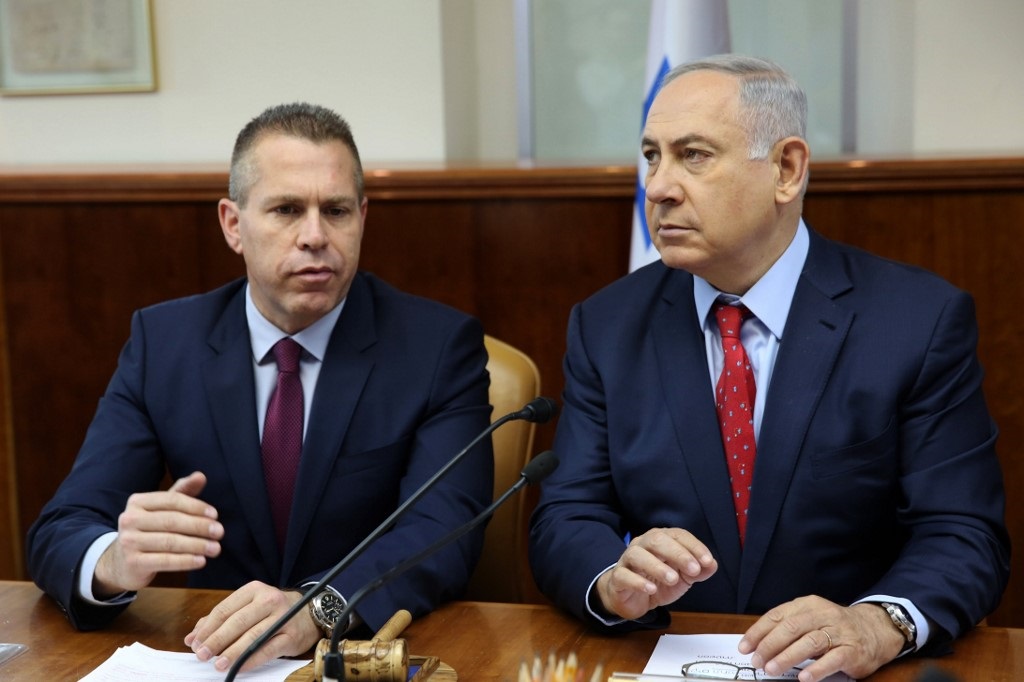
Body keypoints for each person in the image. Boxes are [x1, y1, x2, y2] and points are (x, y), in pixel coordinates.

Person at [528, 55, 1009, 682]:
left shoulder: (915, 321)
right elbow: (566, 515)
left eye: (693, 155)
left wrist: (877, 623)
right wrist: (612, 582)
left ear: (786, 169)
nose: (659, 187)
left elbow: (962, 530)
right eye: (652, 156)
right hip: (666, 661)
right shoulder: (607, 325)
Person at [26, 102, 494, 673]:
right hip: (210, 658)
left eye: (337, 210)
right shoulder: (165, 343)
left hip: (362, 659)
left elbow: (444, 533)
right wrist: (115, 561)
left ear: (363, 218)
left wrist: (317, 607)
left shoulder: (437, 347)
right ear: (233, 224)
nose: (315, 236)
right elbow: (62, 528)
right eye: (287, 210)